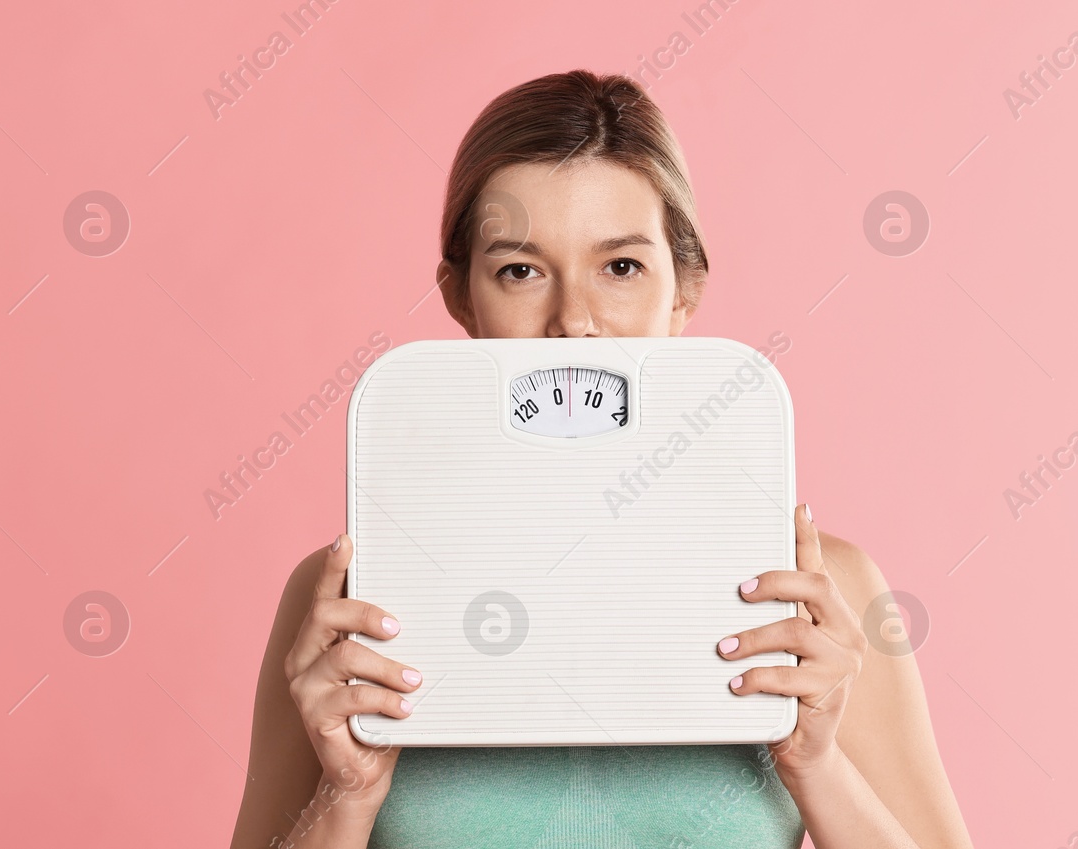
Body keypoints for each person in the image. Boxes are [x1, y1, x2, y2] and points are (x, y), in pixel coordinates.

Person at [229, 70, 974, 849]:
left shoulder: (822, 596)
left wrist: (815, 763)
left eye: (620, 267)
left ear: (682, 291)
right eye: (520, 269)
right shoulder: (354, 598)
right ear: (461, 297)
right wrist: (346, 795)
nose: (574, 323)